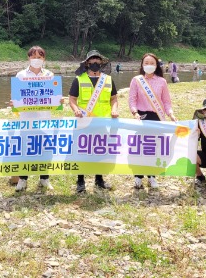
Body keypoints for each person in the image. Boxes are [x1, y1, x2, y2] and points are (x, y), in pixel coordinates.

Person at [68, 50, 117, 193]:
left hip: (103, 122)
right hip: (84, 122)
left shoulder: (108, 79)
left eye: (98, 60)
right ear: (87, 62)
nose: (95, 62)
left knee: (100, 151)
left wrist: (114, 110)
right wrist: (75, 110)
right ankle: (80, 181)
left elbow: (114, 99)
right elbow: (72, 99)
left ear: (101, 63)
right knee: (82, 151)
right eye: (92, 60)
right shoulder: (79, 79)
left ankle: (99, 180)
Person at [129, 53, 177, 189]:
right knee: (139, 148)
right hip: (141, 118)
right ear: (142, 65)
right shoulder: (136, 80)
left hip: (157, 118)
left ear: (156, 65)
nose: (149, 65)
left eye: (152, 63)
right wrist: (135, 112)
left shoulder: (162, 81)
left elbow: (166, 102)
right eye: (146, 63)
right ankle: (138, 176)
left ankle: (152, 176)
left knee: (154, 148)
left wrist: (171, 114)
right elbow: (132, 99)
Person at [14, 46, 54, 192]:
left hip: (44, 119)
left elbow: (53, 96)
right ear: (28, 58)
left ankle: (44, 178)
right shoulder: (21, 75)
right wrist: (15, 103)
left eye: (40, 56)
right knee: (25, 150)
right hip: (26, 120)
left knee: (45, 150)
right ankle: (23, 179)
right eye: (34, 56)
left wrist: (58, 101)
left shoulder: (50, 75)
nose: (37, 59)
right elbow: (17, 97)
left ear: (44, 59)